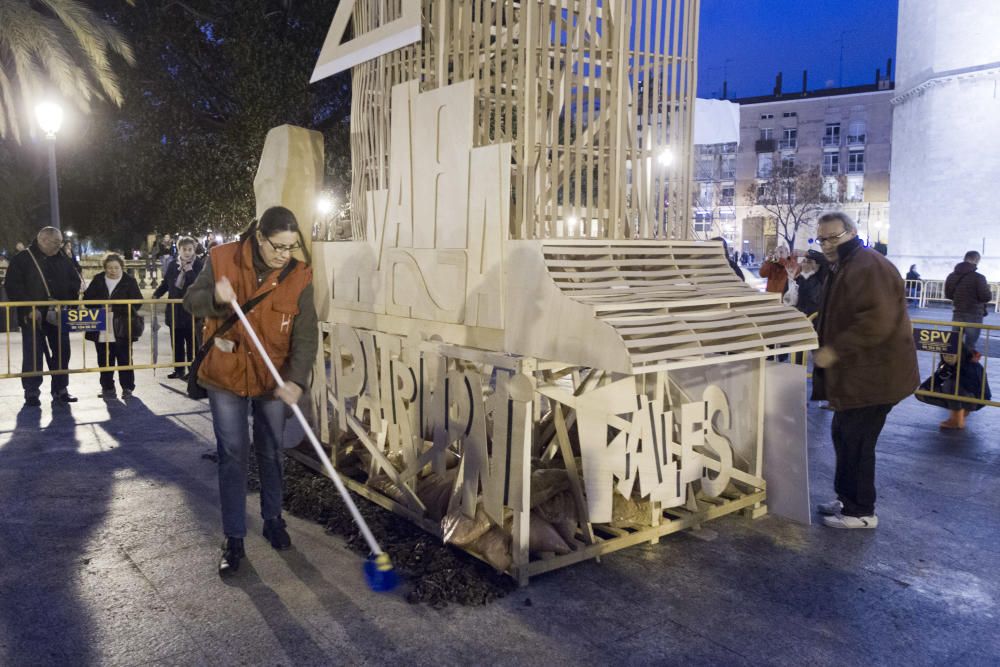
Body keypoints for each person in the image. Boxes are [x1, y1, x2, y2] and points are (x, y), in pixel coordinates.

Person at [184, 206, 317, 576]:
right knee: (233, 454)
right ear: (259, 236)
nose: (283, 255)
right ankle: (234, 537)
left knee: (272, 451)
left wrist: (296, 379)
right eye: (277, 246)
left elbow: (305, 337)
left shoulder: (300, 275)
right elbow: (190, 301)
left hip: (271, 379)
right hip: (225, 375)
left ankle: (273, 519)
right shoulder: (222, 257)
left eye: (291, 247)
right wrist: (215, 296)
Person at [812, 212, 919, 529]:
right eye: (821, 238)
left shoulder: (867, 265)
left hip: (876, 375)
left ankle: (860, 511)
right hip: (861, 374)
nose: (827, 244)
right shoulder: (845, 264)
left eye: (833, 237)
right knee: (844, 435)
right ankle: (848, 498)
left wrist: (834, 349)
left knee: (857, 441)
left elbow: (877, 321)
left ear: (852, 233)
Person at [3, 227, 82, 406]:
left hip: (58, 314)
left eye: (60, 242)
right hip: (32, 315)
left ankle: (61, 389)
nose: (59, 246)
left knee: (62, 352)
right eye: (56, 242)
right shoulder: (22, 259)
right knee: (33, 354)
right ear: (43, 240)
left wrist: (67, 302)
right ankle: (31, 392)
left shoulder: (63, 258)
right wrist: (29, 307)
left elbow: (74, 281)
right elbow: (13, 286)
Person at [83, 254, 143, 399]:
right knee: (104, 357)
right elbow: (87, 299)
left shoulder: (129, 281)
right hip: (101, 323)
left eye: (116, 267)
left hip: (122, 325)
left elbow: (137, 302)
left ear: (121, 267)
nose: (113, 270)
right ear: (105, 268)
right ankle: (107, 387)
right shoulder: (98, 279)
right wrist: (102, 305)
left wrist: (116, 307)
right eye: (109, 267)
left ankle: (127, 387)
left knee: (124, 357)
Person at [153, 236, 204, 380]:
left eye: (190, 249)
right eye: (184, 249)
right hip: (175, 311)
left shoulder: (198, 265)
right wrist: (157, 293)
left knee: (192, 343)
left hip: (191, 310)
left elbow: (199, 284)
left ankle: (193, 370)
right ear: (179, 250)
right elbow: (166, 283)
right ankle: (178, 369)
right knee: (176, 342)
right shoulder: (172, 265)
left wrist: (188, 271)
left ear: (194, 250)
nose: (187, 252)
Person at [916, 348, 992, 430]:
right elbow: (936, 379)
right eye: (944, 355)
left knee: (951, 384)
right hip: (967, 396)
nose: (948, 357)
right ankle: (961, 411)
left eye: (951, 355)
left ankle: (956, 419)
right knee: (922, 393)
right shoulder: (948, 363)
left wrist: (952, 371)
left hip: (977, 399)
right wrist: (925, 387)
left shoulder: (970, 364)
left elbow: (973, 387)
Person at [944, 251, 992, 352]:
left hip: (957, 312)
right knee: (970, 345)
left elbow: (948, 294)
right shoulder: (979, 278)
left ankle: (953, 366)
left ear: (965, 258)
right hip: (974, 315)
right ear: (976, 260)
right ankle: (966, 367)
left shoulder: (951, 276)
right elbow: (986, 297)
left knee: (954, 344)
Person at [794, 250, 829, 318]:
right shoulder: (798, 279)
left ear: (818, 266)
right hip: (797, 316)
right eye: (804, 261)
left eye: (809, 262)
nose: (805, 264)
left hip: (812, 319)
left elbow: (813, 303)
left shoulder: (819, 281)